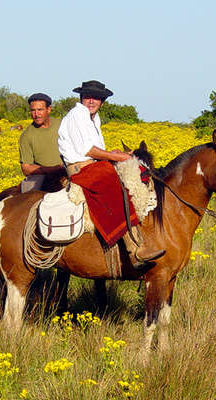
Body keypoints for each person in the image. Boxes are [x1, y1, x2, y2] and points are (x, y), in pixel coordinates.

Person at [58, 80, 164, 268]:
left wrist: (114, 154)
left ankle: (144, 235)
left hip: (92, 165)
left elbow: (97, 150)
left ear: (102, 102)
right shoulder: (77, 115)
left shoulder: (93, 119)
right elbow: (88, 150)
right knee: (112, 180)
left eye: (96, 98)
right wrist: (117, 158)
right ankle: (133, 248)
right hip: (80, 168)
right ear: (82, 98)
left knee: (137, 174)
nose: (92, 101)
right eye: (88, 97)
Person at [18, 93, 65, 192]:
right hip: (42, 176)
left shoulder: (62, 125)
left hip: (67, 171)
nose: (36, 114)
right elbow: (26, 168)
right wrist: (52, 170)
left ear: (48, 109)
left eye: (40, 110)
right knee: (28, 198)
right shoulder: (26, 136)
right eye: (33, 110)